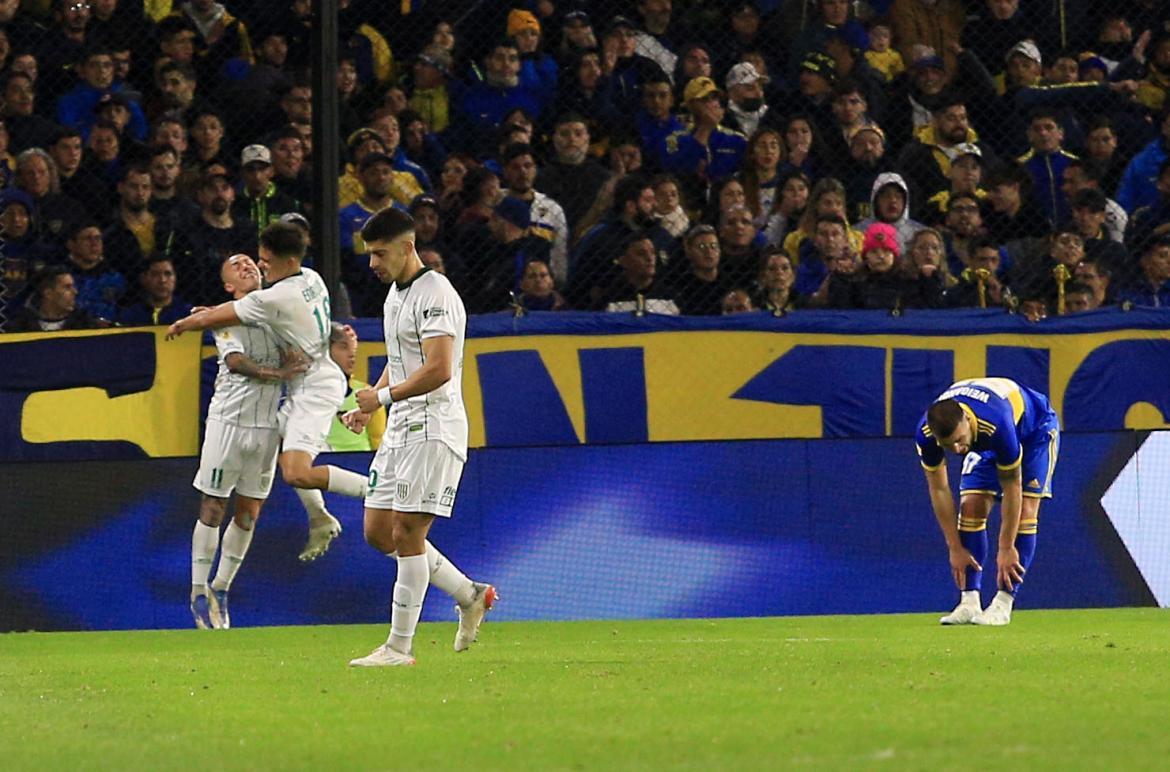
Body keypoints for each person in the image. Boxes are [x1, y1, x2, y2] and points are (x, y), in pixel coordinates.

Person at [345, 207, 496, 666]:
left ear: (408, 247)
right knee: (377, 531)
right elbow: (402, 356)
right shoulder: (395, 296)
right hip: (401, 427)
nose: (373, 263)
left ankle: (398, 647)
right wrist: (370, 398)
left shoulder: (436, 293)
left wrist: (383, 398)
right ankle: (469, 593)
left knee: (407, 531)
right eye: (370, 254)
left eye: (380, 253)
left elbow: (438, 368)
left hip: (433, 426)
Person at [167, 222, 367, 562]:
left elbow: (233, 316)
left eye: (264, 260)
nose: (259, 265)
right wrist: (216, 314)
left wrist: (186, 322)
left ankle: (378, 489)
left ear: (286, 262)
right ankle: (319, 517)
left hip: (312, 386)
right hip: (305, 384)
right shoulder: (312, 278)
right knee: (278, 442)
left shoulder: (275, 297)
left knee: (297, 471)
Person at [188, 254, 307, 629]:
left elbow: (298, 353)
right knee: (213, 506)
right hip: (229, 422)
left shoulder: (276, 313)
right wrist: (280, 372)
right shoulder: (226, 315)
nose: (247, 267)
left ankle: (220, 590)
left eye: (250, 263)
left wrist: (289, 363)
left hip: (267, 425)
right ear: (228, 285)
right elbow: (237, 362)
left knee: (250, 511)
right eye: (236, 266)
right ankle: (196, 590)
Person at [916, 377, 1061, 626]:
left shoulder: (996, 424)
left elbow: (1012, 486)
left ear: (966, 419)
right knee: (971, 506)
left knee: (1026, 511)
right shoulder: (926, 434)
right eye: (948, 445)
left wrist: (1005, 548)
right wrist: (954, 547)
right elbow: (939, 488)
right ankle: (969, 602)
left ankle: (1003, 603)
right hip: (985, 440)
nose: (959, 449)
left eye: (960, 440)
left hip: (1034, 430)